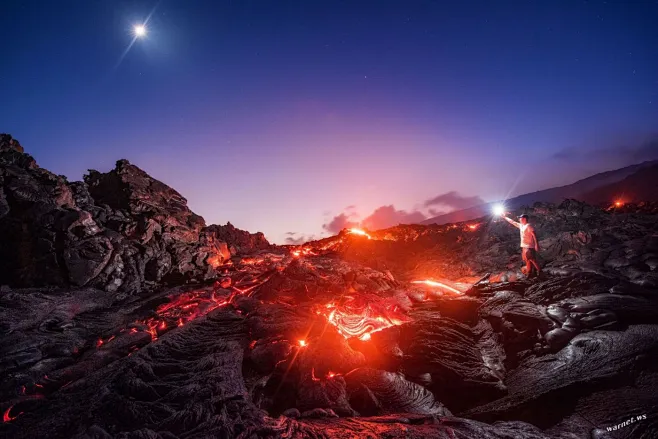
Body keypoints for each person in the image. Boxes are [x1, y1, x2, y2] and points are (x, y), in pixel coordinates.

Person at [503, 213, 541, 277]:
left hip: (529, 246)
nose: (519, 219)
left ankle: (540, 271)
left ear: (524, 219)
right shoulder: (521, 226)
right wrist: (504, 217)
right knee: (527, 260)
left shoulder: (528, 226)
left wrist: (536, 245)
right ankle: (529, 273)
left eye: (520, 218)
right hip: (524, 246)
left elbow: (534, 235)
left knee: (532, 259)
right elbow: (513, 222)